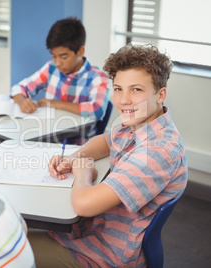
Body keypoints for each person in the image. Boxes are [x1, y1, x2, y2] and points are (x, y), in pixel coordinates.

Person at [28, 44, 188, 267]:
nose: (123, 100)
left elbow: (83, 205)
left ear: (160, 94)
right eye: (119, 88)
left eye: (136, 90)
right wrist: (74, 158)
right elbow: (104, 141)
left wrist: (83, 173)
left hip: (103, 253)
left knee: (4, 248)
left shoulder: (156, 152)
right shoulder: (139, 122)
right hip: (91, 229)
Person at [10, 17, 109, 144]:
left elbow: (97, 110)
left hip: (78, 147)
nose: (57, 63)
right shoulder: (51, 68)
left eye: (63, 57)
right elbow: (18, 88)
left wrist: (54, 103)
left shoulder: (97, 77)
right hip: (47, 140)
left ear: (80, 51)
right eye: (54, 56)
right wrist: (22, 101)